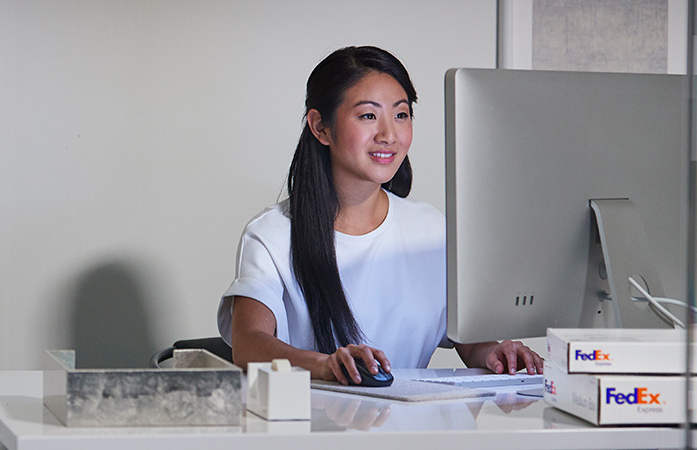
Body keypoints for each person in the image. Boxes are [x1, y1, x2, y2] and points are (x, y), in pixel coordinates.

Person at [216, 46, 543, 385]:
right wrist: (326, 365)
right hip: (311, 430)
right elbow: (248, 343)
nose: (389, 135)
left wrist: (494, 352)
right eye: (368, 116)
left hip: (414, 430)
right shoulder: (272, 234)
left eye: (401, 115)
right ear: (320, 127)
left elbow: (466, 339)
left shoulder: (431, 230)